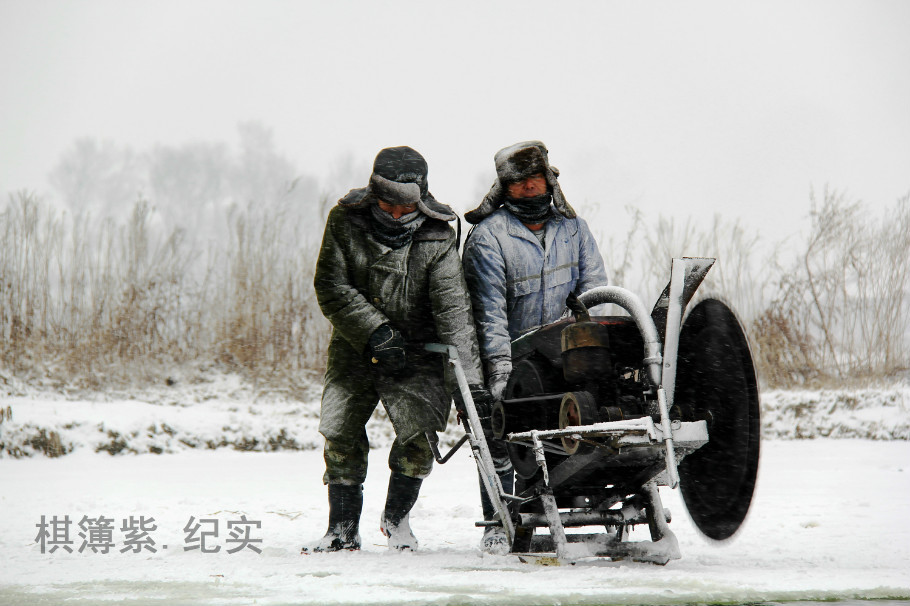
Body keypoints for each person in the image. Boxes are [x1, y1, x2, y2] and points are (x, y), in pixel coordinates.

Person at [304, 146, 486, 553]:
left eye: (406, 206)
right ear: (373, 194)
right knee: (340, 432)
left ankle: (397, 520)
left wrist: (469, 385)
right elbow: (330, 286)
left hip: (417, 354)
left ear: (420, 197)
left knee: (420, 436)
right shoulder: (344, 221)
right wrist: (374, 331)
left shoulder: (440, 234)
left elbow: (453, 309)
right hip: (354, 346)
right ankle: (342, 528)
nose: (397, 214)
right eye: (388, 205)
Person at [462, 140, 609, 554]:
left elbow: (594, 293)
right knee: (502, 434)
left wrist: (593, 355)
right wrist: (500, 371)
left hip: (564, 355)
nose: (529, 188)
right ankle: (497, 520)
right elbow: (488, 312)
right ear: (504, 189)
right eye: (519, 183)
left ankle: (575, 507)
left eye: (535, 180)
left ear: (549, 180)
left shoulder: (574, 230)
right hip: (513, 353)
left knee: (574, 430)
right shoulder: (489, 238)